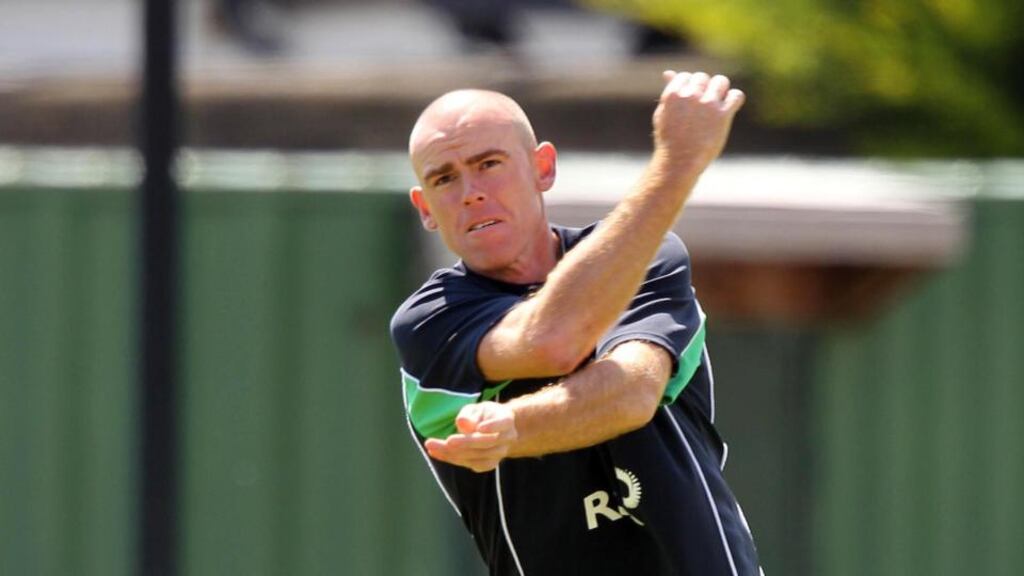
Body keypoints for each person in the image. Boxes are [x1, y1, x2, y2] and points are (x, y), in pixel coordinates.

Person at [390, 71, 762, 575]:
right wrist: (676, 165)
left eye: (489, 164)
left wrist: (515, 426)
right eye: (444, 178)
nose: (470, 192)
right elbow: (553, 340)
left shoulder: (647, 257)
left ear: (542, 167)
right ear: (425, 208)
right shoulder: (429, 320)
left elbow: (631, 394)